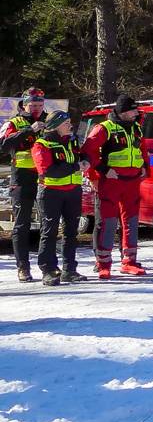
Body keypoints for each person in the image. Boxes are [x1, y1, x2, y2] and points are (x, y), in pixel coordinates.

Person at [82, 95, 148, 279]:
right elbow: (88, 151)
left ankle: (129, 262)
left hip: (132, 180)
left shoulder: (136, 128)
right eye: (133, 110)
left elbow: (140, 149)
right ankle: (103, 263)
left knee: (132, 221)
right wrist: (103, 170)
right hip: (112, 180)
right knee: (108, 221)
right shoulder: (104, 128)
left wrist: (144, 166)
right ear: (123, 111)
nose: (136, 113)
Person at [32, 111, 90, 285]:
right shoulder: (42, 144)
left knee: (71, 231)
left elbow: (81, 154)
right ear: (56, 125)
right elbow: (48, 170)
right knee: (49, 231)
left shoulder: (72, 140)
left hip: (73, 191)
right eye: (66, 123)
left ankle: (69, 269)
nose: (70, 126)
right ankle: (48, 270)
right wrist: (75, 166)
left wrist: (85, 160)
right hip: (51, 192)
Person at [0, 87, 48, 282]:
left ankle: (48, 266)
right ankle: (23, 267)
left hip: (47, 177)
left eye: (39, 105)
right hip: (22, 179)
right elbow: (3, 145)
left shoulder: (50, 120)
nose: (36, 108)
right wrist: (29, 130)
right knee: (22, 224)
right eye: (32, 105)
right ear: (24, 104)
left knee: (49, 223)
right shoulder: (15, 122)